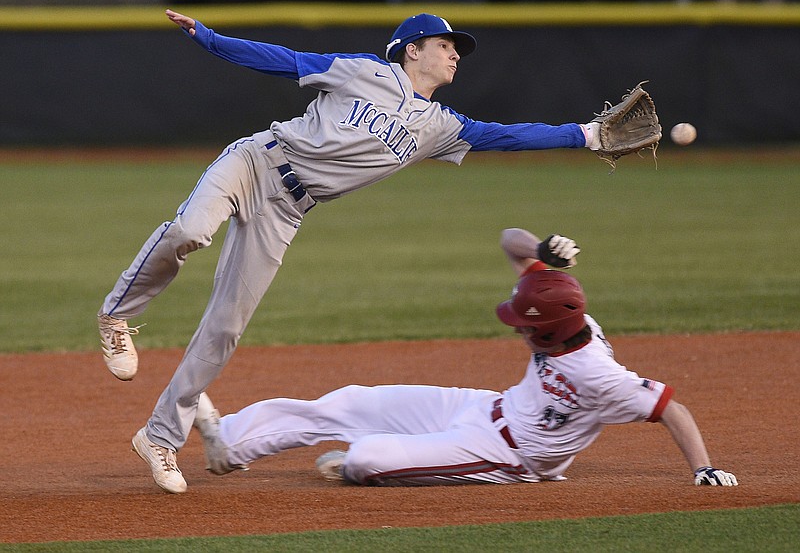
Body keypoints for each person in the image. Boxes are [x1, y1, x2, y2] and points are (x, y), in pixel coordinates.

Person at [101, 9, 607, 493]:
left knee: (226, 327)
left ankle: (161, 437)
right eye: (445, 45)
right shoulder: (363, 72)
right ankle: (117, 315)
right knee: (191, 230)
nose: (455, 55)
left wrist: (585, 135)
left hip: (287, 212)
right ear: (413, 50)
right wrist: (209, 38)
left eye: (457, 49)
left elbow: (509, 136)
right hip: (256, 162)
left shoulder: (440, 126)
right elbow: (283, 59)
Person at [190, 227, 737, 488]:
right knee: (351, 402)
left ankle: (382, 461)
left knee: (365, 458)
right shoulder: (560, 308)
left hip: (509, 455)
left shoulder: (600, 374)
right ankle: (229, 443)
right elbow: (509, 239)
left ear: (545, 334)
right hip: (481, 407)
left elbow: (672, 409)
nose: (517, 329)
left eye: (523, 326)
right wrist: (543, 252)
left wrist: (704, 469)